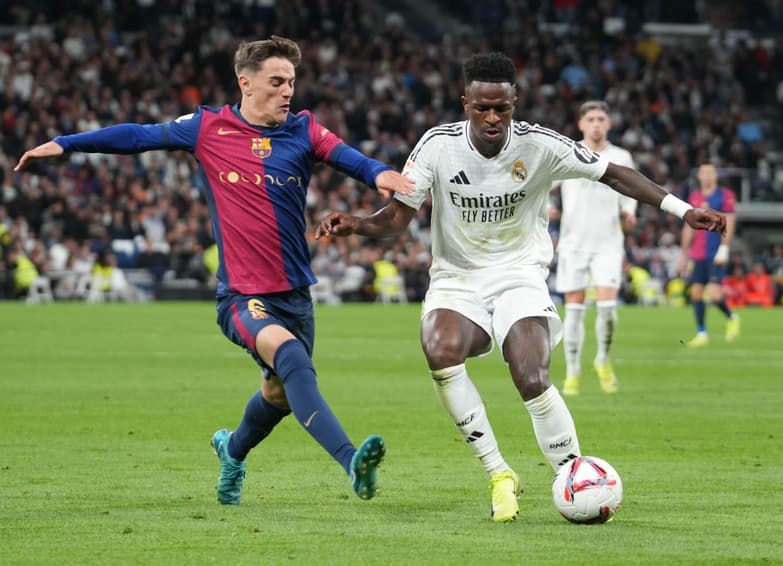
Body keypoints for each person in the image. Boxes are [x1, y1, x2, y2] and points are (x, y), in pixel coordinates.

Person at [315, 52, 725, 522]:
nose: (492, 118)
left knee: (530, 373)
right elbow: (398, 218)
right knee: (438, 346)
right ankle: (498, 473)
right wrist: (356, 225)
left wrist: (681, 210)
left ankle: (573, 473)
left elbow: (613, 173)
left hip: (519, 274)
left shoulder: (541, 145)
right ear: (465, 101)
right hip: (457, 279)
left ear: (515, 102)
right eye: (482, 108)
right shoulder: (436, 146)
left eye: (502, 109)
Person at [15, 36, 415, 505]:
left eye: (291, 81)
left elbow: (352, 159)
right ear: (245, 83)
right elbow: (138, 136)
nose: (288, 91)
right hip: (243, 297)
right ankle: (352, 462)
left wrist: (380, 175)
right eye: (277, 81)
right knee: (291, 360)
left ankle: (232, 450)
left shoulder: (305, 131)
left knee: (279, 395)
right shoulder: (208, 127)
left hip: (295, 295)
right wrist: (64, 144)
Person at [553, 100, 637, 396]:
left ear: (609, 124)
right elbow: (543, 186)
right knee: (574, 312)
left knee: (608, 309)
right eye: (591, 119)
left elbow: (631, 193)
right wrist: (547, 209)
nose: (596, 124)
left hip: (608, 243)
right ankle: (573, 371)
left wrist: (630, 212)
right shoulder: (568, 153)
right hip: (574, 243)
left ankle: (602, 359)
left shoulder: (621, 156)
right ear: (581, 124)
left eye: (601, 118)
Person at [677, 163, 739, 347]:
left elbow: (730, 220)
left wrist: (725, 248)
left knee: (714, 294)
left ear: (716, 176)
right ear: (699, 176)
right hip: (698, 253)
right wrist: (684, 254)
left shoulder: (725, 195)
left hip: (715, 252)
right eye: (703, 172)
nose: (707, 176)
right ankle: (701, 333)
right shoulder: (694, 197)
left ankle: (731, 317)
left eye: (710, 172)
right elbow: (689, 227)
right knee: (696, 294)